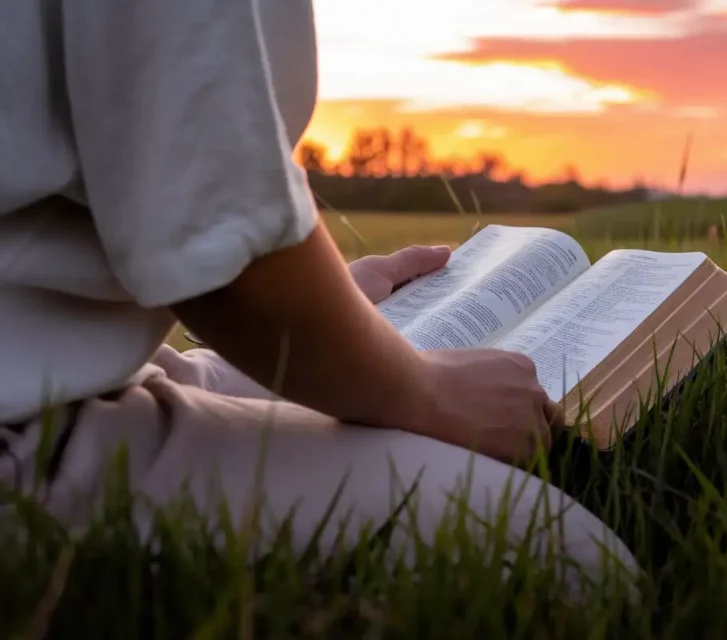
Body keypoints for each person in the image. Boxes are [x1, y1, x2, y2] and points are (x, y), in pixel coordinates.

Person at [0, 0, 638, 593]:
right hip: (25, 445)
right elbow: (227, 264)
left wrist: (342, 313)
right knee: (561, 558)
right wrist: (425, 392)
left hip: (51, 375)